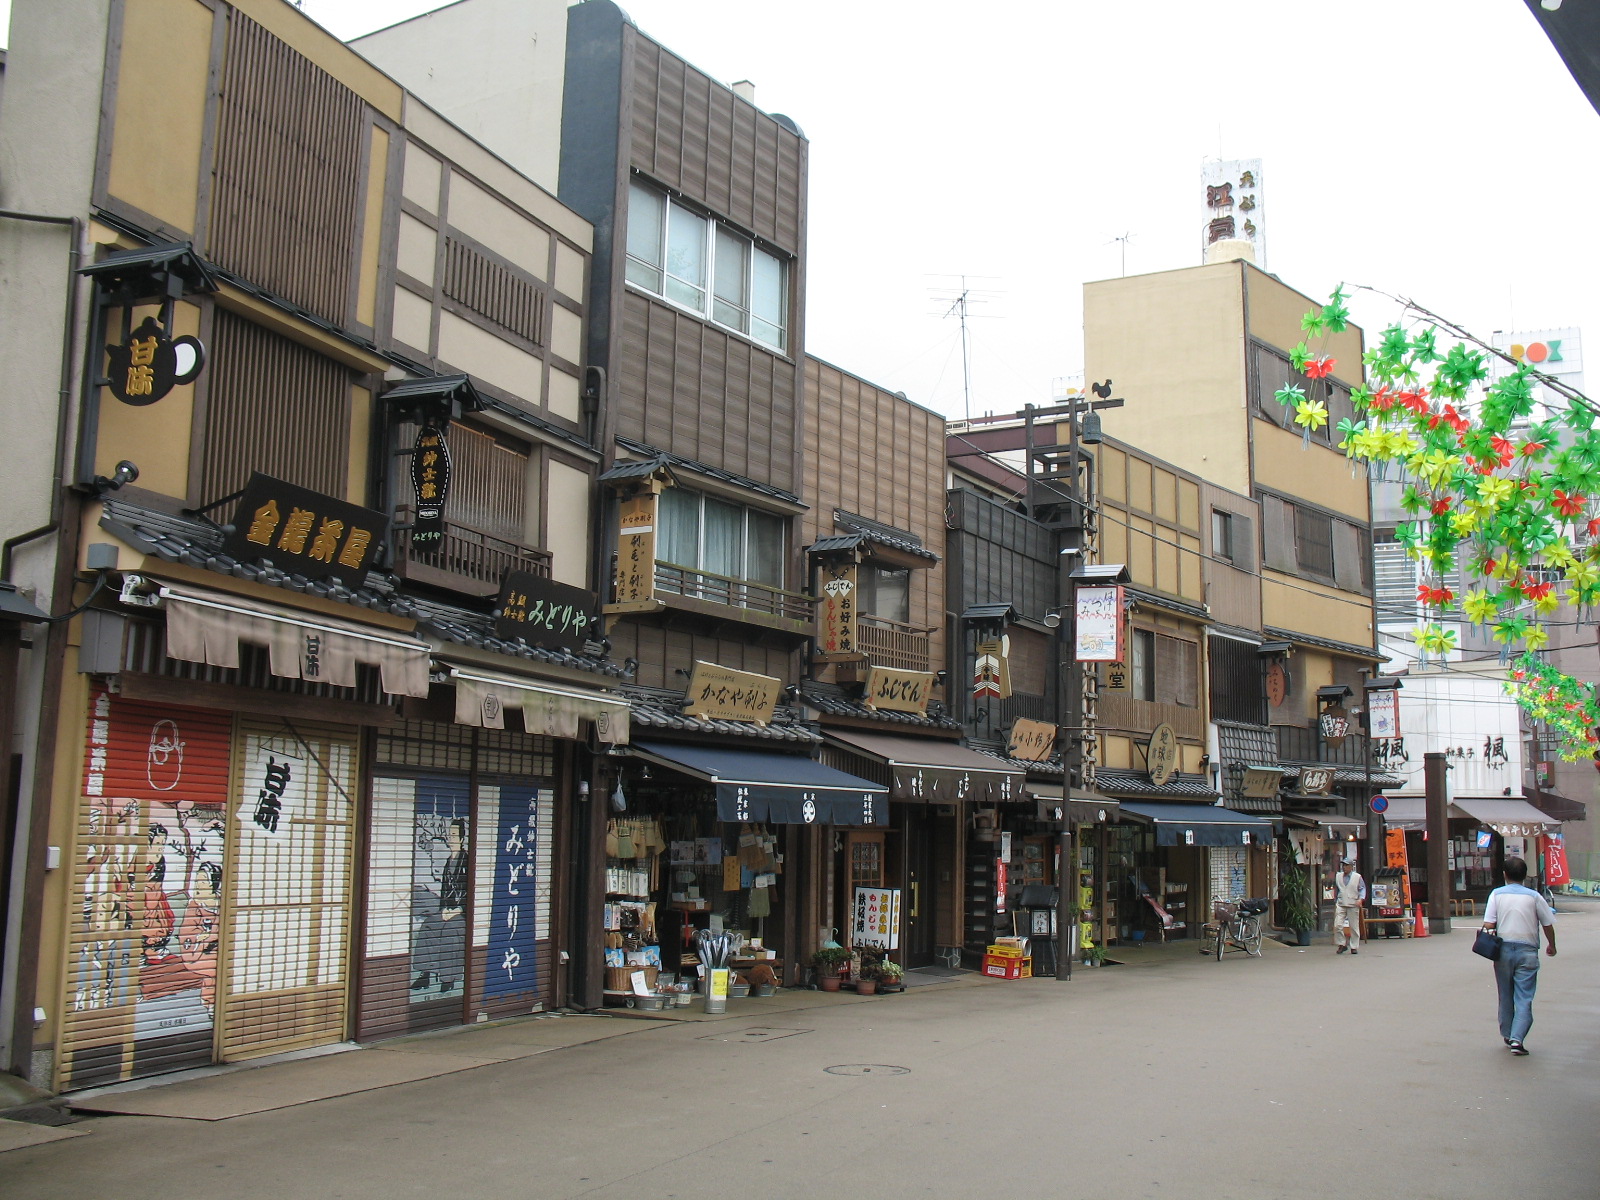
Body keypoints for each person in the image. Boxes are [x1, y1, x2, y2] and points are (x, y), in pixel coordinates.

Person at [1481, 856, 1557, 1056]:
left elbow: (1488, 924)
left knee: (1505, 994)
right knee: (1524, 996)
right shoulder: (1534, 897)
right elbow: (1547, 924)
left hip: (1503, 950)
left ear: (1504, 875)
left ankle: (1507, 1033)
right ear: (1525, 876)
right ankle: (1517, 1039)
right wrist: (1552, 945)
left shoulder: (1496, 895)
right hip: (1528, 951)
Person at [1332, 859, 1366, 955]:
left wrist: (1361, 899)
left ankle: (1354, 946)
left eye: (1346, 865)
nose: (1344, 867)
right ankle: (1341, 944)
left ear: (1351, 867)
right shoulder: (1338, 876)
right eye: (1343, 865)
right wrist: (1335, 900)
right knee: (1337, 925)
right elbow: (1337, 889)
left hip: (1353, 903)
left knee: (1354, 926)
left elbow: (1362, 888)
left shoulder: (1357, 877)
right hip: (1341, 903)